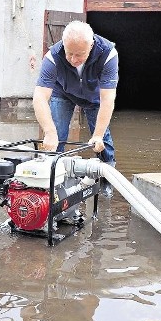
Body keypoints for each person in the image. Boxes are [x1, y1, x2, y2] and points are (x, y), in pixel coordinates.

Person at [33, 21, 118, 197]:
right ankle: (53, 180)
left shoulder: (108, 53)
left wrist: (98, 135)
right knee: (57, 135)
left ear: (91, 45)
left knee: (102, 140)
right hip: (62, 91)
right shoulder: (53, 56)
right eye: (69, 53)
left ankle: (107, 177)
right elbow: (40, 97)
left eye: (79, 55)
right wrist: (49, 132)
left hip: (95, 97)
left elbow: (108, 99)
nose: (73, 59)